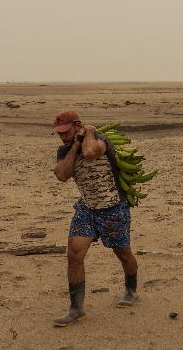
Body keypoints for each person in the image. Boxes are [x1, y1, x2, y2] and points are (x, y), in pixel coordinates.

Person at [51, 110, 138, 327]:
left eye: (65, 131)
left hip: (113, 208)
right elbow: (62, 175)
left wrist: (87, 133)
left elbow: (90, 153)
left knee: (123, 253)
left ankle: (131, 289)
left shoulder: (101, 141)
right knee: (74, 253)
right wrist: (73, 145)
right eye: (59, 133)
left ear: (77, 125)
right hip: (87, 208)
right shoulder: (65, 150)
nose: (62, 136)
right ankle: (76, 308)